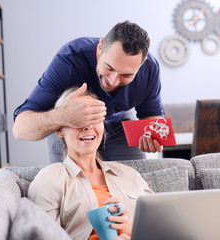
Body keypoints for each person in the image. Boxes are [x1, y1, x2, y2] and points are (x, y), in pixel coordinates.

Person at [13, 20, 164, 163]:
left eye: (126, 75)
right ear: (100, 48)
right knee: (68, 183)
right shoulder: (69, 61)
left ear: (142, 64)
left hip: (118, 123)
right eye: (109, 68)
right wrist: (62, 116)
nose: (113, 81)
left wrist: (154, 136)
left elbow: (152, 116)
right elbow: (20, 129)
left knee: (133, 179)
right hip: (70, 124)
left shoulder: (150, 69)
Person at [28, 88, 154, 240]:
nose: (88, 126)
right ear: (60, 130)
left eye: (94, 119)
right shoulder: (49, 178)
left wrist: (130, 228)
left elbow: (161, 227)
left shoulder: (130, 174)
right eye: (78, 120)